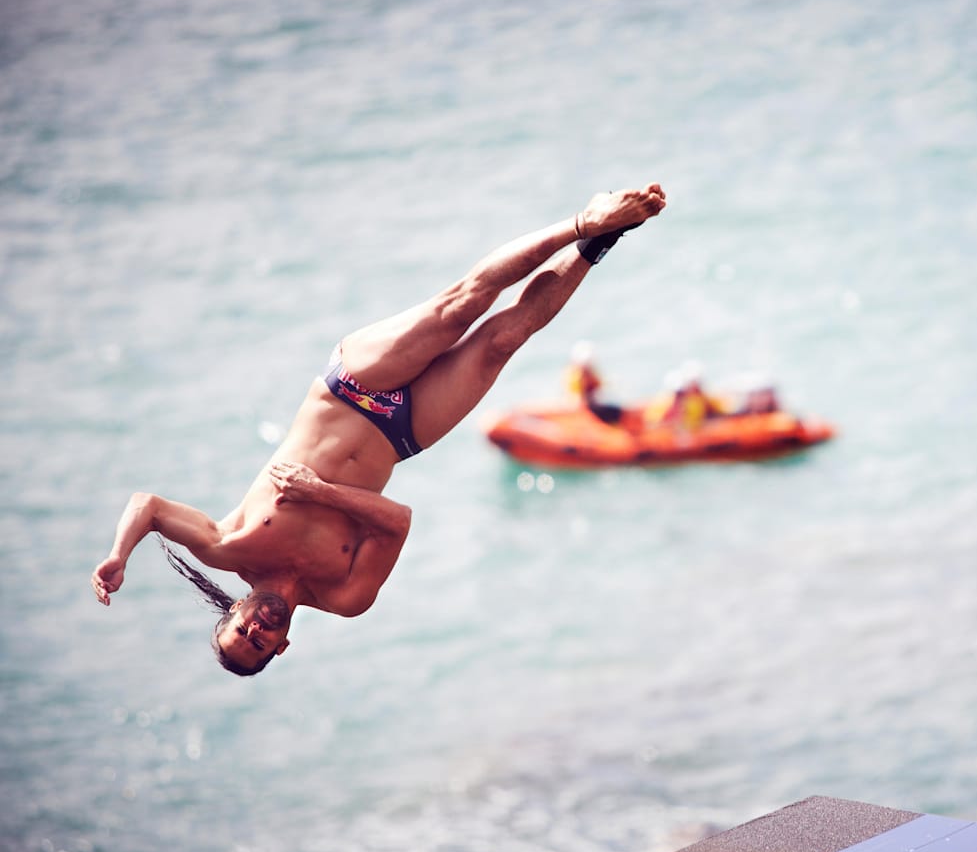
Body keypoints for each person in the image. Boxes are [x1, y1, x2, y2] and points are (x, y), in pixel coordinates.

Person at [91, 184, 667, 676]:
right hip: (402, 434)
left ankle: (583, 222)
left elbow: (148, 506)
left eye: (242, 630)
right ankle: (601, 241)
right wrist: (319, 493)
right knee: (502, 341)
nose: (257, 630)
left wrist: (118, 555)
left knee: (460, 307)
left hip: (351, 387)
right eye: (260, 643)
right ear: (282, 646)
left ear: (234, 611)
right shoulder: (345, 596)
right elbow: (398, 521)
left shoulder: (228, 544)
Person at [564, 340, 622, 424]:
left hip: (591, 405)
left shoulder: (585, 371)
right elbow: (578, 400)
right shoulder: (577, 375)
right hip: (585, 409)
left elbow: (598, 384)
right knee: (614, 412)